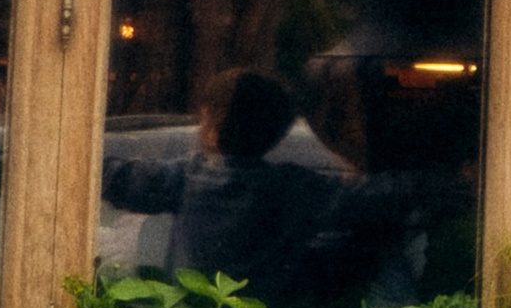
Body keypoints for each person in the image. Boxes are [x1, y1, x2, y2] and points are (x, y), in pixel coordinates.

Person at [98, 68, 344, 290]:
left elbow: (118, 176)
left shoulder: (188, 176)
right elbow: (354, 198)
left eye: (203, 119)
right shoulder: (290, 186)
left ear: (214, 128)